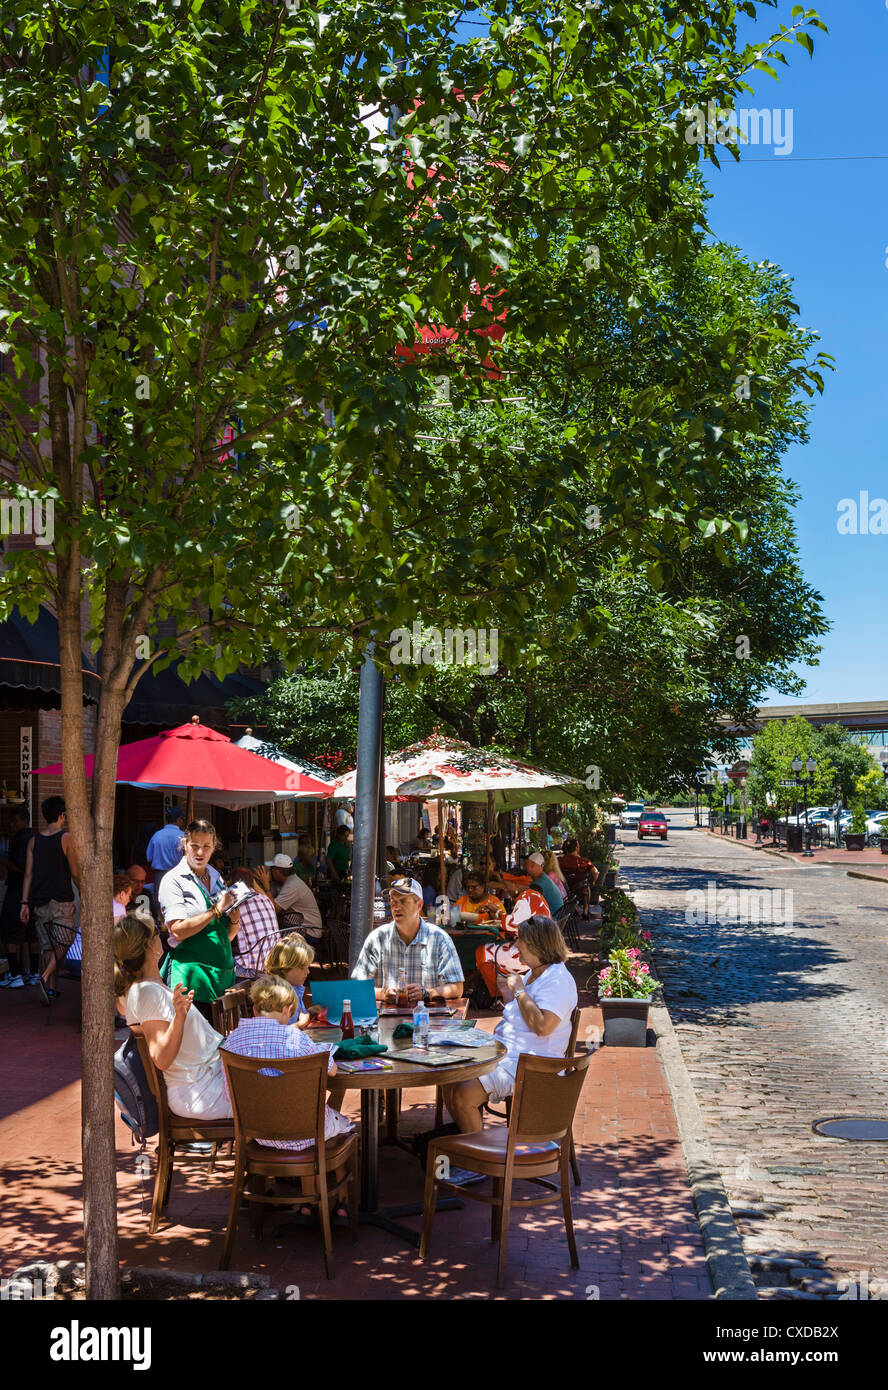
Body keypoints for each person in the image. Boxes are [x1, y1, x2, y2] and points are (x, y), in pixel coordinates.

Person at [441, 915, 577, 1132]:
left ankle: (477, 1159)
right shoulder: (536, 972)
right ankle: (464, 1140)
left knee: (463, 1094)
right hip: (508, 1054)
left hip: (530, 1064)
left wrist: (520, 991)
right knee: (448, 1075)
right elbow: (524, 1014)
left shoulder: (557, 979)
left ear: (534, 944)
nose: (515, 945)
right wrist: (510, 996)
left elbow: (543, 1027)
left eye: (519, 940)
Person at [115, 909, 231, 1120]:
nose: (162, 937)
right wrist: (179, 1017)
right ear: (149, 945)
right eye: (157, 934)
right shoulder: (148, 993)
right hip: (202, 1089)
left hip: (211, 1079)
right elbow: (161, 1059)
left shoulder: (147, 989)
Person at [221, 975, 353, 1151]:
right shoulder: (296, 1039)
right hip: (305, 1131)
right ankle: (329, 1171)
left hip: (257, 1130)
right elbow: (333, 1071)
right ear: (287, 1009)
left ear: (254, 1009)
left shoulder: (231, 1041)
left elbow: (228, 1094)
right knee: (344, 1123)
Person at [158, 819, 241, 1020]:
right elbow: (177, 930)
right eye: (195, 846)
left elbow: (225, 936)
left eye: (206, 847)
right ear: (185, 845)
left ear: (214, 847)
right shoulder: (174, 880)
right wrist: (215, 911)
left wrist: (234, 920)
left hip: (221, 976)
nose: (200, 853)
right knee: (194, 1047)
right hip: (193, 979)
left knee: (220, 1045)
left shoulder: (215, 875)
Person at [352, 876, 463, 1004]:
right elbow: (357, 988)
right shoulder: (377, 938)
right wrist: (383, 994)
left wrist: (427, 993)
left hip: (427, 1019)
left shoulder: (440, 939)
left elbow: (457, 988)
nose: (396, 907)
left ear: (419, 905)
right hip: (386, 1019)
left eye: (403, 901)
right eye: (393, 901)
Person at [20, 795, 80, 1005]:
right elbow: (74, 871)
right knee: (65, 940)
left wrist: (24, 903)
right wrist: (84, 890)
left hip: (38, 900)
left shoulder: (34, 841)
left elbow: (28, 874)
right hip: (62, 899)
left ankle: (51, 989)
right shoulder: (66, 838)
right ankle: (45, 977)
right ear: (62, 815)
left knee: (47, 946)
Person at [0, 808, 35, 988]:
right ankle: (34, 972)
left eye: (14, 821)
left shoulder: (21, 839)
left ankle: (15, 974)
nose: (11, 825)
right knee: (31, 932)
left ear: (23, 821)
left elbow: (23, 868)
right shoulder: (36, 837)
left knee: (11, 930)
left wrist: (5, 861)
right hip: (34, 892)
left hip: (18, 891)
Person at [230, 866, 281, 979]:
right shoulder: (266, 899)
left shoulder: (235, 904)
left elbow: (227, 937)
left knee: (222, 964)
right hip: (274, 964)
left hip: (253, 970)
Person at [264, 933, 322, 1026]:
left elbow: (294, 1018)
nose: (308, 972)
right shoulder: (277, 997)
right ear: (285, 968)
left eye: (308, 967)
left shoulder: (294, 987)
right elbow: (278, 1033)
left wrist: (309, 1012)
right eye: (303, 967)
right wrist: (302, 1023)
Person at [262, 853, 323, 941]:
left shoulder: (291, 885)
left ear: (277, 871)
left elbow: (274, 909)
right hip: (302, 928)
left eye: (271, 868)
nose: (270, 871)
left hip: (310, 932)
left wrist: (266, 885)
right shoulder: (290, 881)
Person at [146, 807, 186, 892]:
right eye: (182, 819)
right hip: (178, 875)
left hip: (160, 876)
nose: (183, 821)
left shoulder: (157, 835)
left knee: (159, 902)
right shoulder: (183, 836)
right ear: (179, 819)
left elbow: (148, 857)